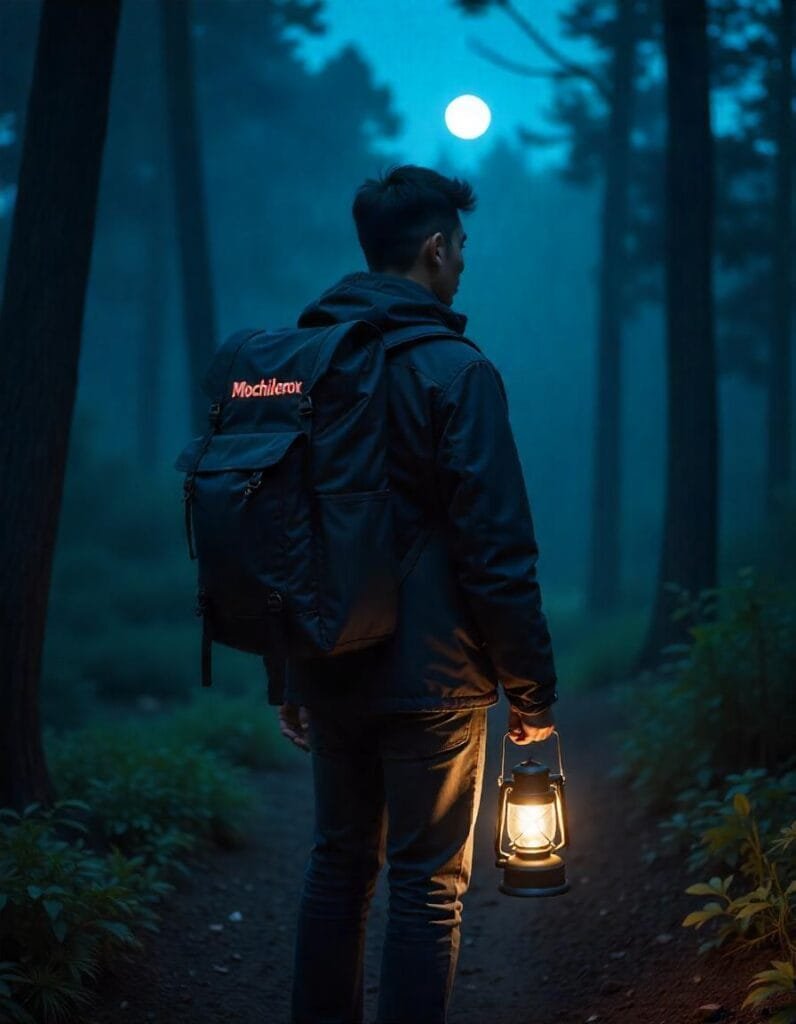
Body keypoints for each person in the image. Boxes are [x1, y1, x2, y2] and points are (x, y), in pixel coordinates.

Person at [278, 164, 558, 1024]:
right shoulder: (456, 371)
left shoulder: (303, 364)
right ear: (436, 249)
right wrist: (531, 688)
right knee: (427, 889)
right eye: (461, 246)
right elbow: (497, 548)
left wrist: (285, 669)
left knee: (337, 867)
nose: (464, 263)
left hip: (327, 657)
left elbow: (278, 534)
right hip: (432, 678)